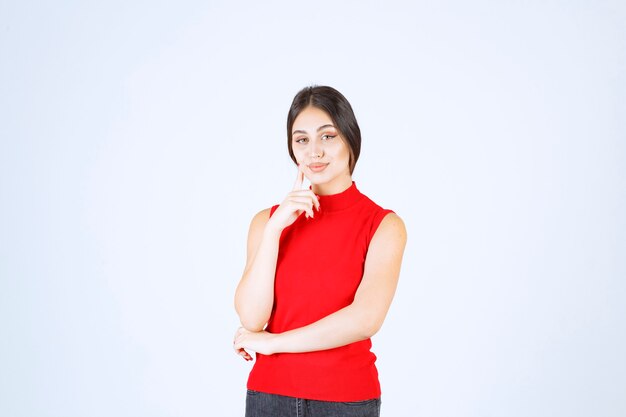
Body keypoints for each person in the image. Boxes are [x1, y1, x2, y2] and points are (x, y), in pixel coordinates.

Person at [233, 85, 407, 417]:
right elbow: (252, 318)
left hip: (344, 400)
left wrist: (273, 343)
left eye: (327, 136)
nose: (315, 152)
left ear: (350, 139)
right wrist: (274, 230)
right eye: (302, 140)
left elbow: (364, 319)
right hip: (268, 397)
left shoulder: (383, 225)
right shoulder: (266, 222)